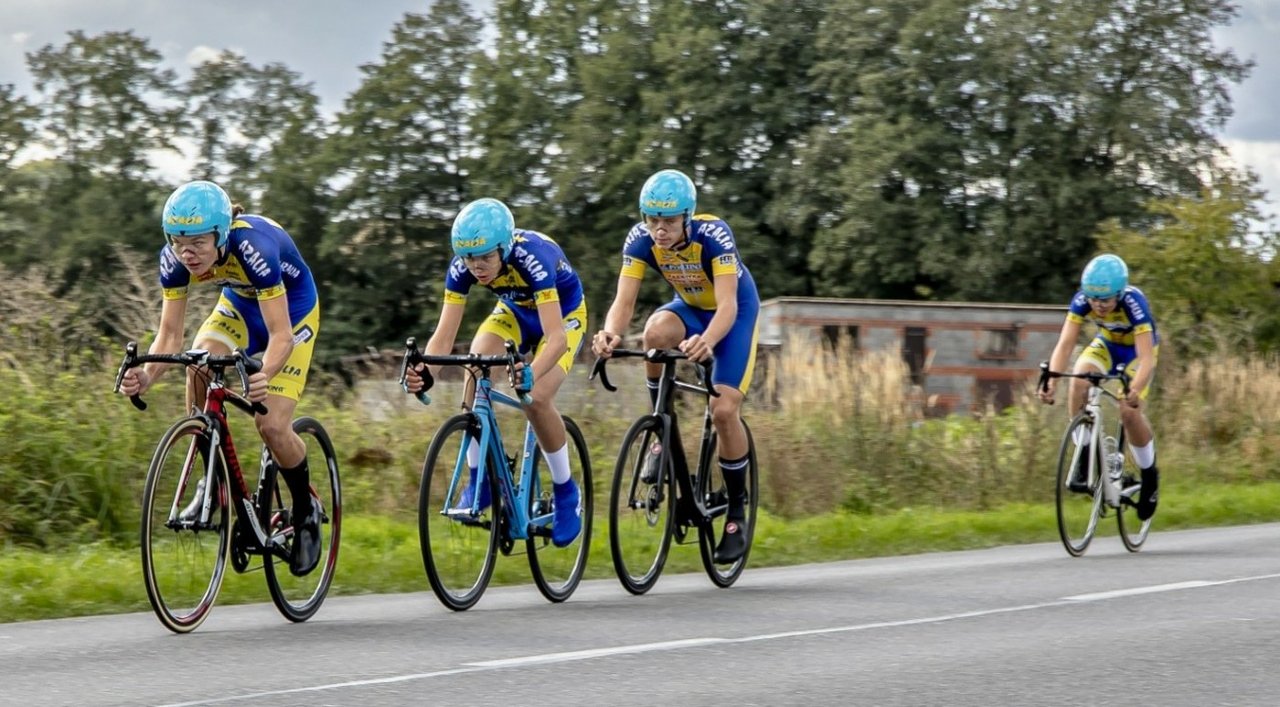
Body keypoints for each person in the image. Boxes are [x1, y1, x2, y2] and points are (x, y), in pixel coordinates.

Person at [118, 180, 324, 576]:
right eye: (177, 241)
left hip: (292, 313)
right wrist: (146, 376)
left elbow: (281, 335)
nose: (186, 253)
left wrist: (264, 372)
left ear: (222, 234)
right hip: (240, 308)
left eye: (196, 242)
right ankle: (211, 484)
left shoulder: (255, 247)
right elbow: (170, 334)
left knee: (272, 425)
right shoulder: (174, 259)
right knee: (198, 361)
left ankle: (306, 509)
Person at [591, 168, 760, 564]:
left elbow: (730, 305)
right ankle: (659, 427)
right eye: (652, 219)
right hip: (689, 309)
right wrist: (611, 333)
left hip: (730, 317)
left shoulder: (713, 235)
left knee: (722, 410)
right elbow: (624, 302)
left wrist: (709, 342)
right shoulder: (640, 240)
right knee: (654, 333)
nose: (659, 229)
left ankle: (736, 511)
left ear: (687, 216)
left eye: (668, 220)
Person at [403, 198, 585, 547]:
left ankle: (565, 491)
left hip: (561, 315)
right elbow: (443, 337)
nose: (477, 267)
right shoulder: (461, 267)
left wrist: (531, 371)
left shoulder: (534, 257)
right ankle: (479, 480)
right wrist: (426, 373)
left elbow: (558, 339)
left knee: (537, 399)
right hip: (515, 311)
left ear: (504, 247)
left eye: (486, 257)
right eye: (469, 258)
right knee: (477, 359)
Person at [1038, 253, 1160, 521]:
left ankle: (1150, 474)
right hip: (1107, 345)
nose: (1098, 305)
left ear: (1119, 293)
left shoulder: (1133, 303)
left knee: (1128, 412)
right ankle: (1083, 452)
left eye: (1105, 300)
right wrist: (1052, 379)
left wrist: (1135, 390)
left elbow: (1147, 358)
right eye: (1093, 298)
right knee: (1080, 379)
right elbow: (1066, 343)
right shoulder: (1083, 301)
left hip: (1137, 354)